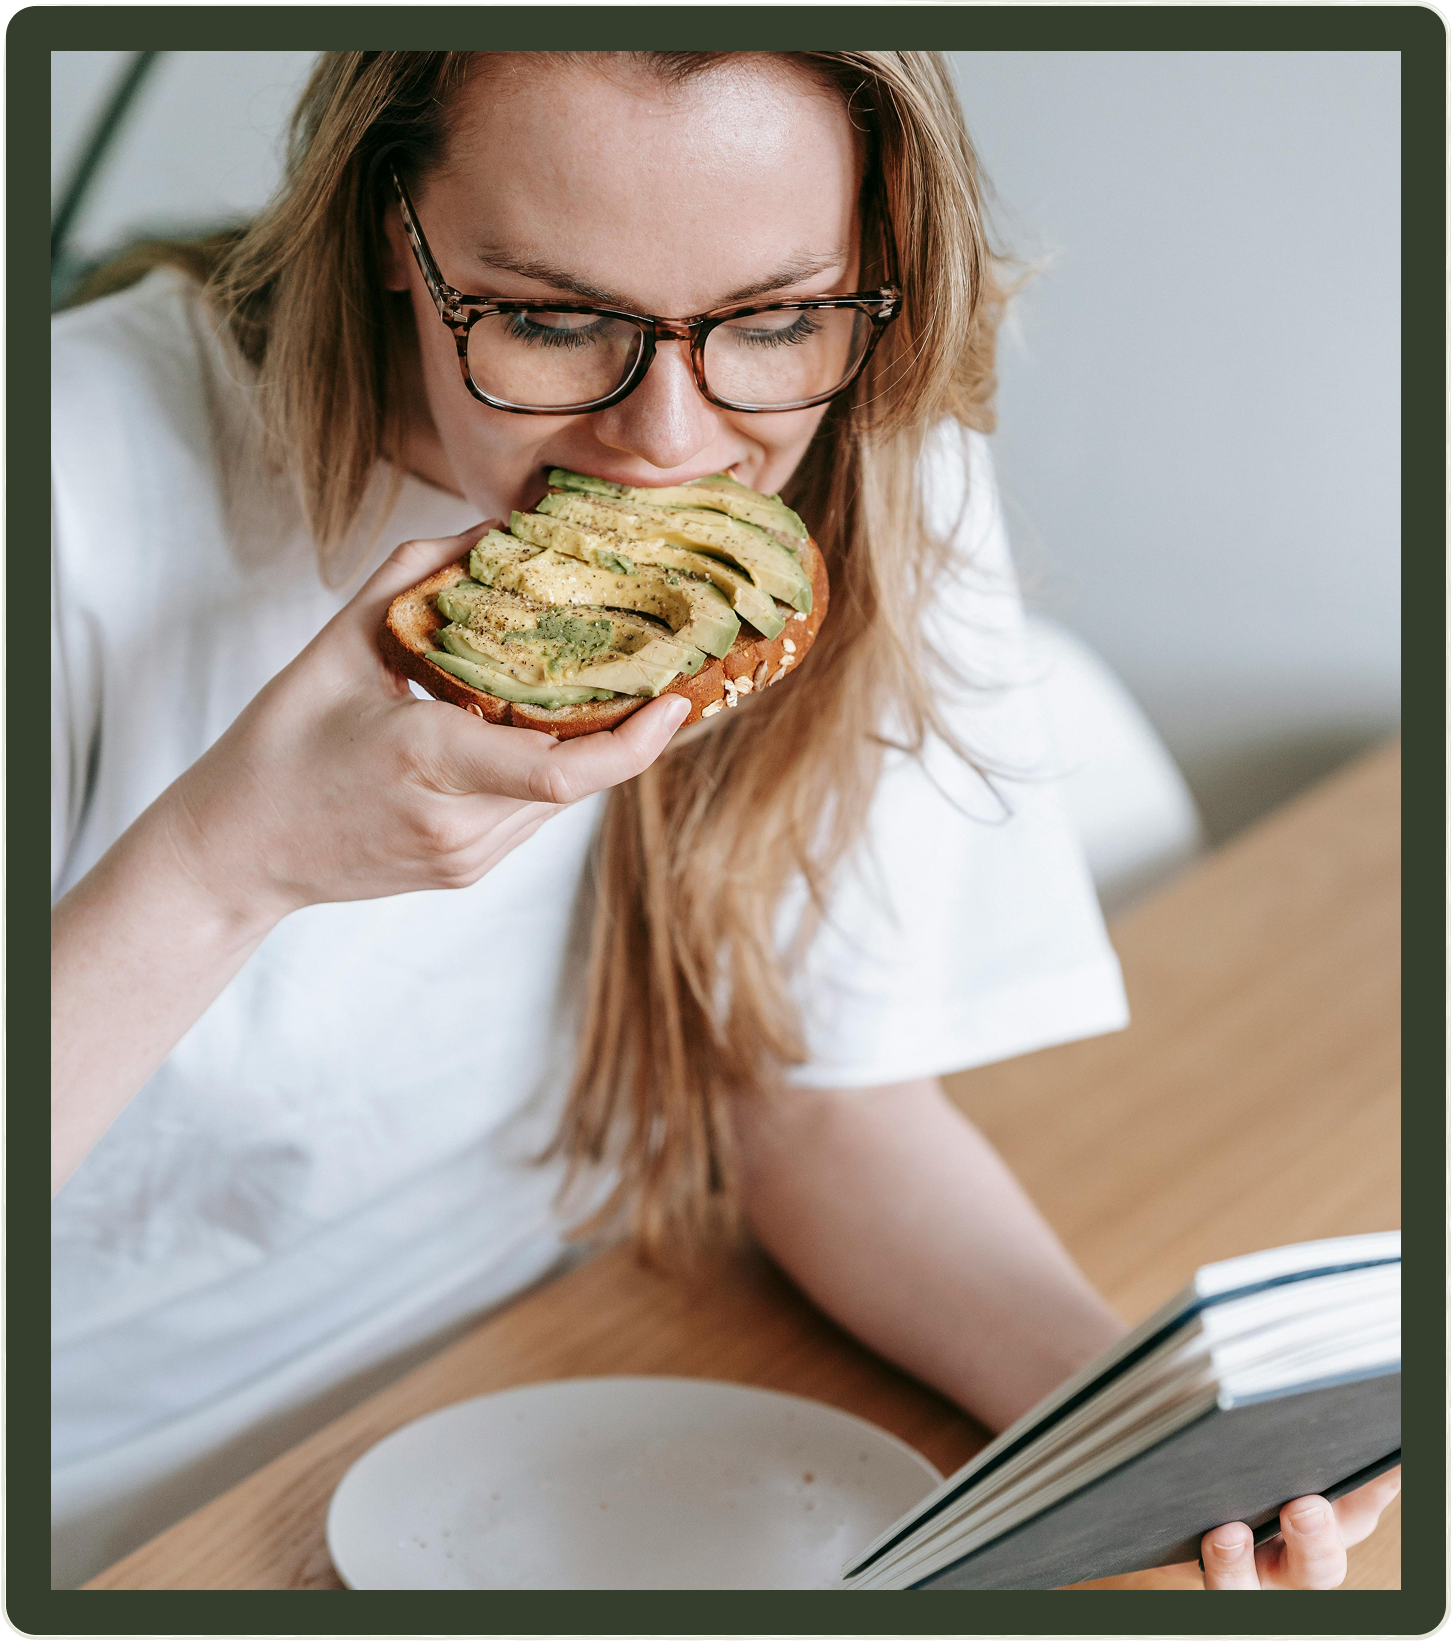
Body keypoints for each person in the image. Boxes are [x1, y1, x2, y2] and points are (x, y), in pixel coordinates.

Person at [50, 49, 1398, 1591]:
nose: (673, 444)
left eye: (770, 318)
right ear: (382, 230)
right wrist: (224, 867)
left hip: (547, 1386)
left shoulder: (850, 455)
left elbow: (814, 1103)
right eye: (553, 319)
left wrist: (1115, 1418)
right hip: (100, 1509)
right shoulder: (74, 490)